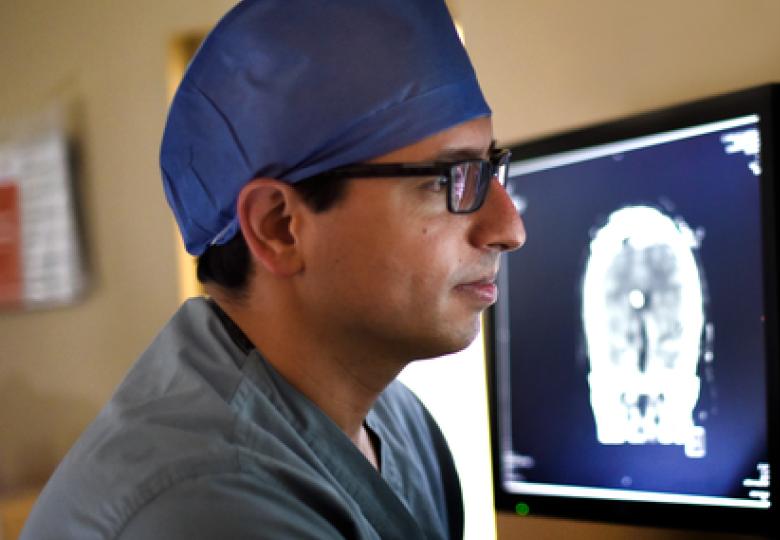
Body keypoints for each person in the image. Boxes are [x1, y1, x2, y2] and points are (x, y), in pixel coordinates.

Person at [21, 0, 524, 538]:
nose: (510, 229)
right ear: (278, 227)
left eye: (488, 169)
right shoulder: (204, 503)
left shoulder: (399, 426)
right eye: (450, 179)